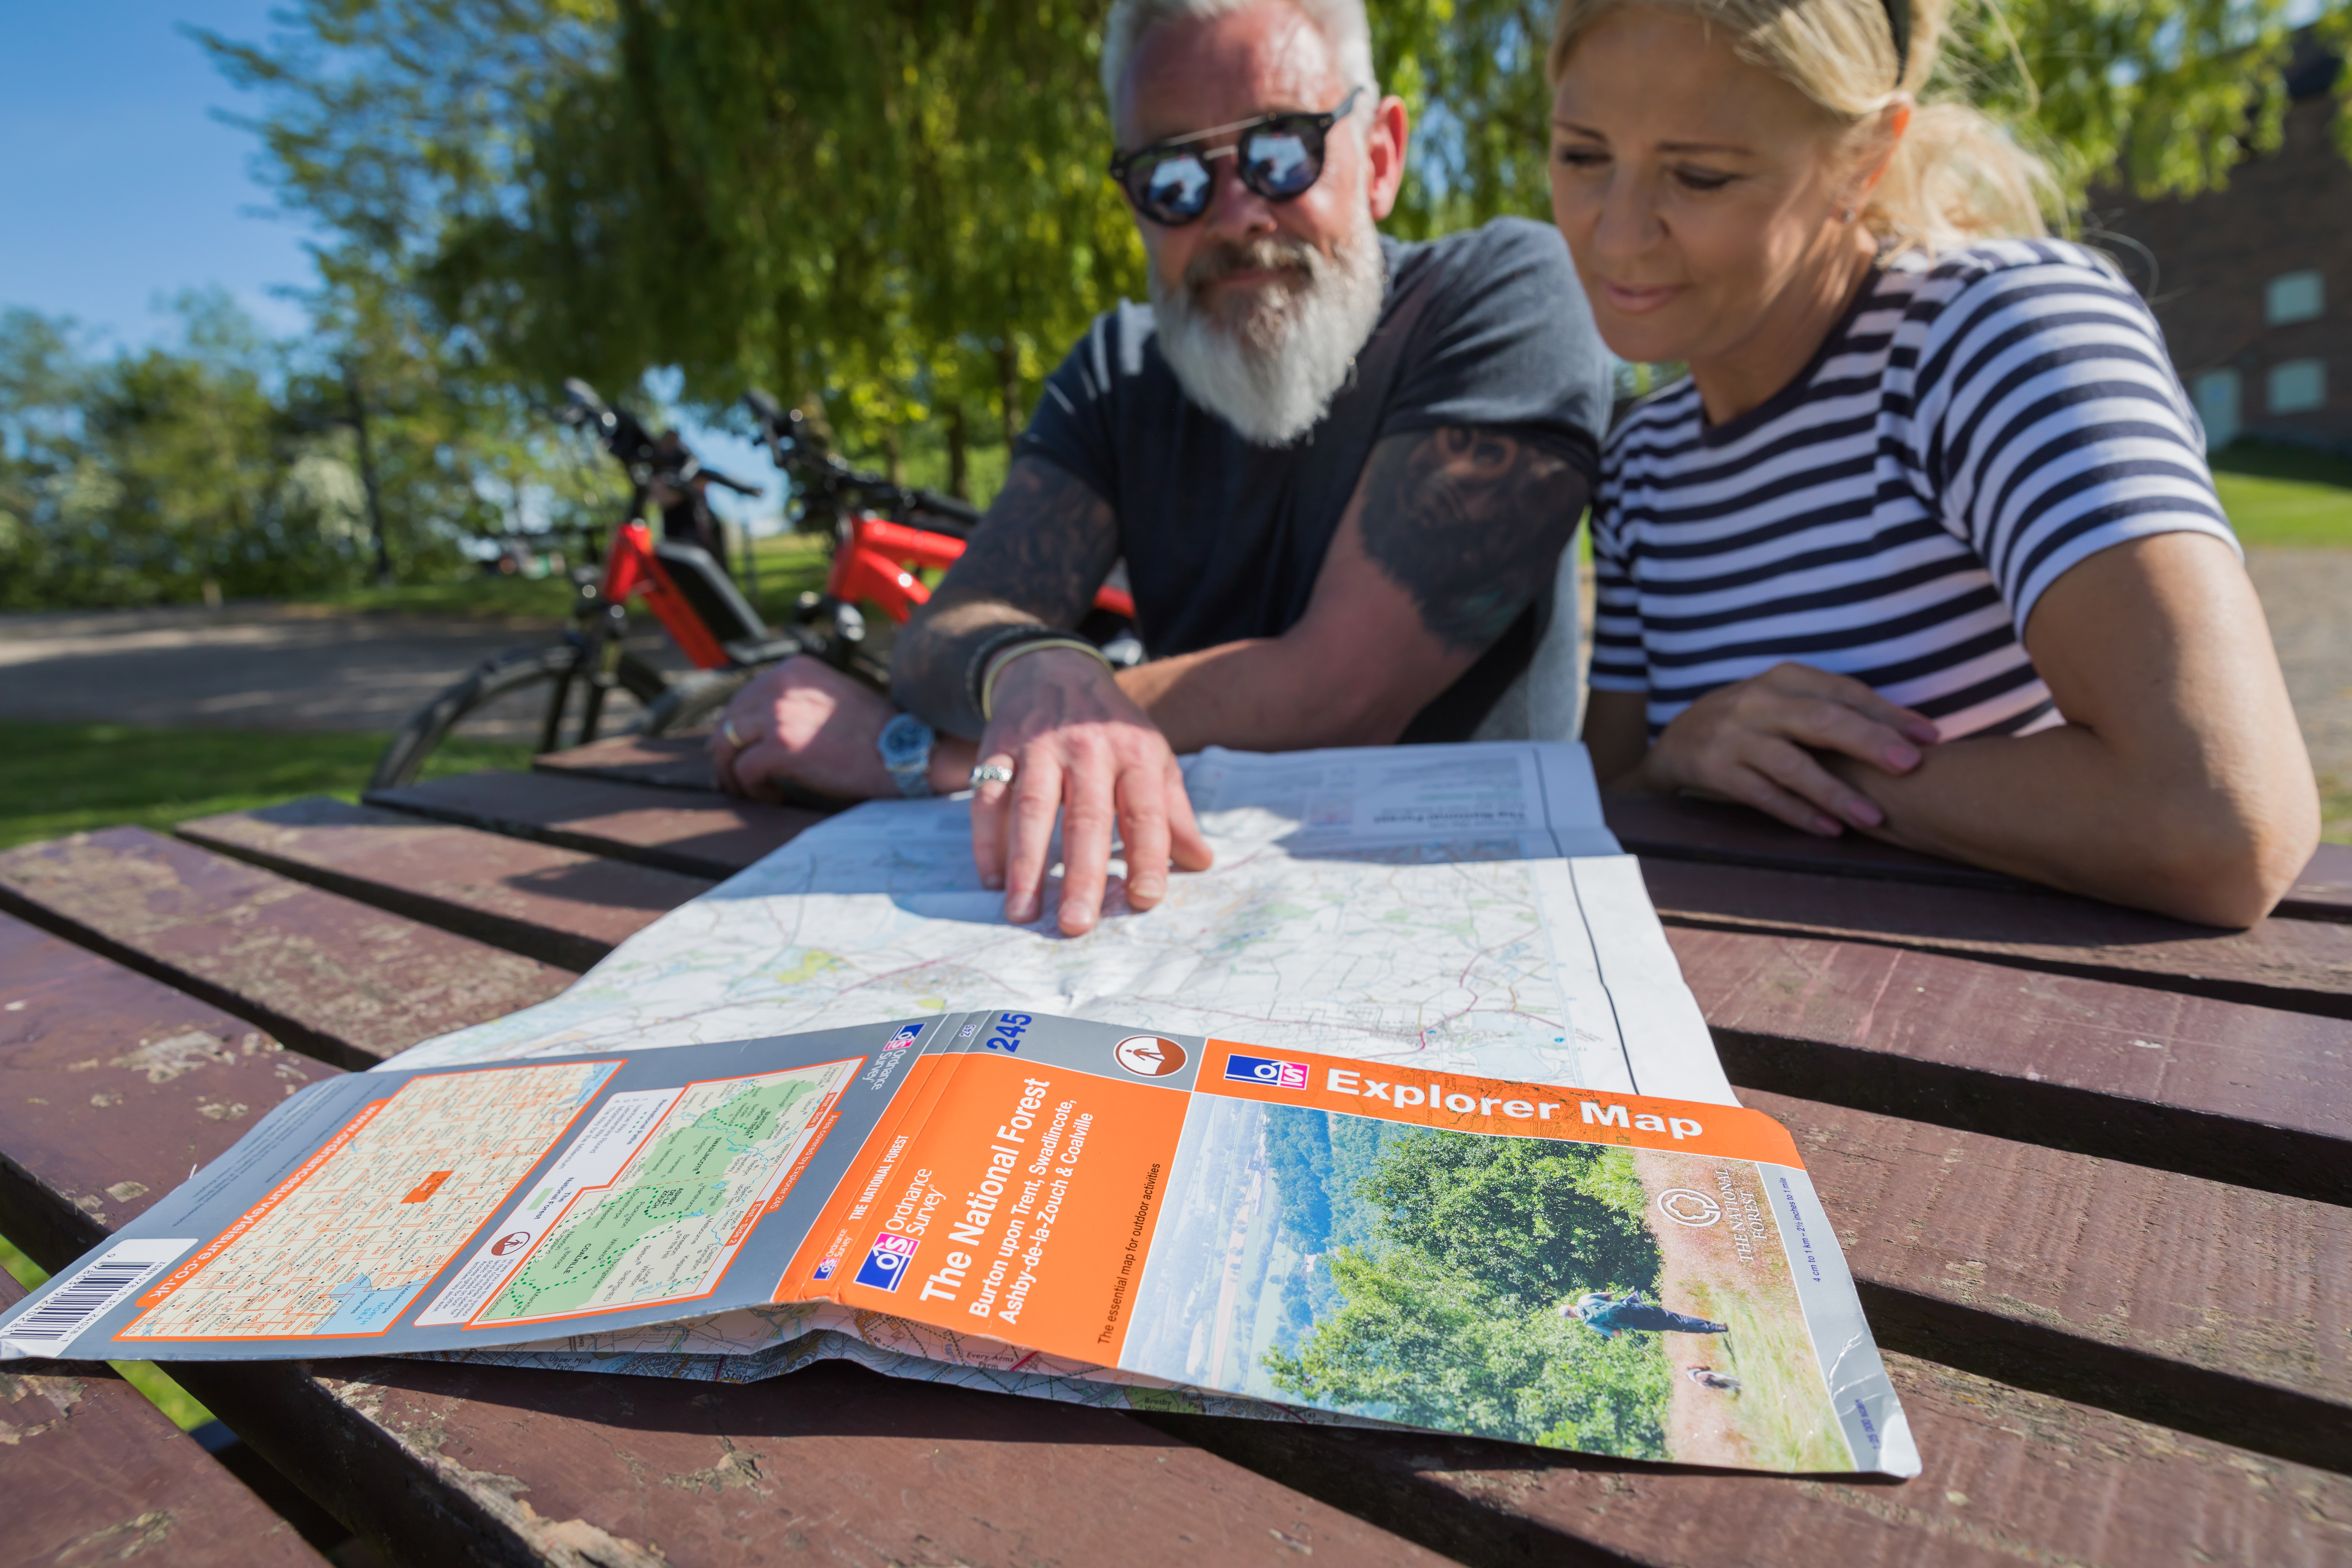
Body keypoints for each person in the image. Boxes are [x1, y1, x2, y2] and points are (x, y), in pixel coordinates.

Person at [712, 0, 1614, 936]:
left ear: (1380, 156)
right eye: (1173, 175)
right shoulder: (1117, 373)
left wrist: (926, 759)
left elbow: (1341, 691)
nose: (1234, 214)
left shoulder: (1508, 296)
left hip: (1461, 932)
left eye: (1282, 149)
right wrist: (1028, 666)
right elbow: (953, 630)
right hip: (1169, 923)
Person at [1550, 0, 2319, 929]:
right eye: (1583, 155)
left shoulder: (2000, 337)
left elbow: (2220, 820)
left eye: (1701, 176)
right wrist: (1684, 759)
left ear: (1864, 158)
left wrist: (1815, 771)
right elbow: (1610, 799)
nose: (1618, 232)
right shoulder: (1643, 458)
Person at [1562, 1288, 1729, 1338]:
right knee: (1676, 1318)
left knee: (1673, 1326)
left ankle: (1714, 1330)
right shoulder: (1584, 1300)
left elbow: (1617, 1333)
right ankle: (1717, 1327)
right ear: (1570, 1306)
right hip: (1634, 1309)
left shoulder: (1589, 1324)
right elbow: (1607, 1295)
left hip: (1636, 1324)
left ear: (1571, 1317)